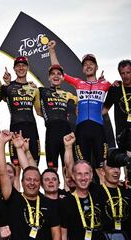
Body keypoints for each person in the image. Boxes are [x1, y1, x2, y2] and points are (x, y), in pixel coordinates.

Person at [48, 40, 111, 182]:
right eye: (85, 64)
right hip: (81, 129)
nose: (88, 66)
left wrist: (117, 86)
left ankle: (103, 198)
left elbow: (120, 92)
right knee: (82, 168)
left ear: (96, 67)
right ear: (83, 69)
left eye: (91, 64)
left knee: (102, 169)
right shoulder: (78, 83)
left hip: (98, 129)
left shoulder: (105, 84)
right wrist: (52, 51)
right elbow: (57, 69)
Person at [0, 130, 61, 240]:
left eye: (35, 180)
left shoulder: (49, 204)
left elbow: (56, 233)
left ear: (40, 183)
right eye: (28, 180)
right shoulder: (13, 198)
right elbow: (2, 173)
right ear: (21, 181)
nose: (32, 183)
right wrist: (2, 143)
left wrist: (21, 150)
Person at [2, 56, 40, 191]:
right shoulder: (8, 87)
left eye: (24, 65)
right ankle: (16, 201)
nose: (21, 68)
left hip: (32, 128)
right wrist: (6, 83)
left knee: (33, 166)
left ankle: (34, 199)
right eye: (18, 66)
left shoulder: (33, 87)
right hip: (16, 128)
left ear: (27, 68)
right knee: (16, 170)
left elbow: (39, 111)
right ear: (14, 69)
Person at [35, 64, 77, 174]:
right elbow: (38, 111)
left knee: (67, 167)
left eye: (59, 74)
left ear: (63, 78)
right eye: (53, 74)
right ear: (49, 77)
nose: (56, 76)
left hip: (66, 132)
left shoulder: (69, 95)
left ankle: (68, 190)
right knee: (52, 168)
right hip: (51, 132)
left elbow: (79, 106)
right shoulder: (41, 91)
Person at [103, 59, 131, 149]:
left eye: (128, 72)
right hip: (122, 134)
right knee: (126, 160)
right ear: (119, 74)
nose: (126, 76)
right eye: (123, 73)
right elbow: (105, 109)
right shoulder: (115, 89)